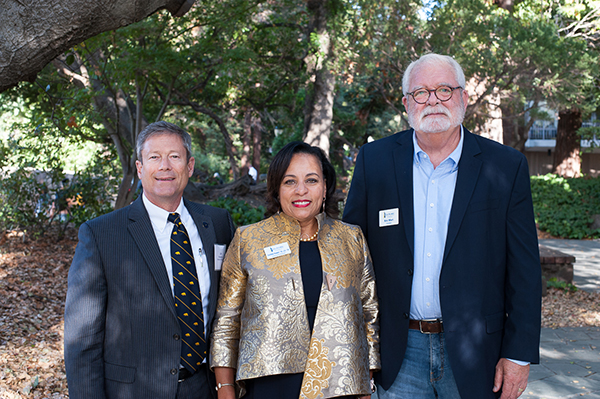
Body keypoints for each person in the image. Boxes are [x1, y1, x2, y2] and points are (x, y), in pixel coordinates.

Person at [343, 53, 541, 399]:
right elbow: (351, 258)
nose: (433, 100)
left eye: (444, 90)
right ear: (407, 103)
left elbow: (524, 269)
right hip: (397, 354)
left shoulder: (506, 167)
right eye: (421, 92)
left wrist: (518, 352)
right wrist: (354, 351)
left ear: (463, 97)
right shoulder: (374, 162)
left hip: (477, 354)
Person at [64, 121, 236, 399]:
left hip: (204, 387)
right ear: (140, 168)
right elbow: (82, 341)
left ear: (189, 166)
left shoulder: (218, 224)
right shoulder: (101, 234)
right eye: (154, 157)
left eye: (175, 157)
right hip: (134, 391)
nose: (165, 166)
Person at [210, 141, 380, 399]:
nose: (301, 190)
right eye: (290, 181)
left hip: (340, 386)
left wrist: (366, 380)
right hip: (270, 387)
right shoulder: (248, 240)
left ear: (325, 188)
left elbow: (370, 313)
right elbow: (226, 321)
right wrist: (225, 389)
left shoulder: (351, 239)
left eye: (311, 180)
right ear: (277, 189)